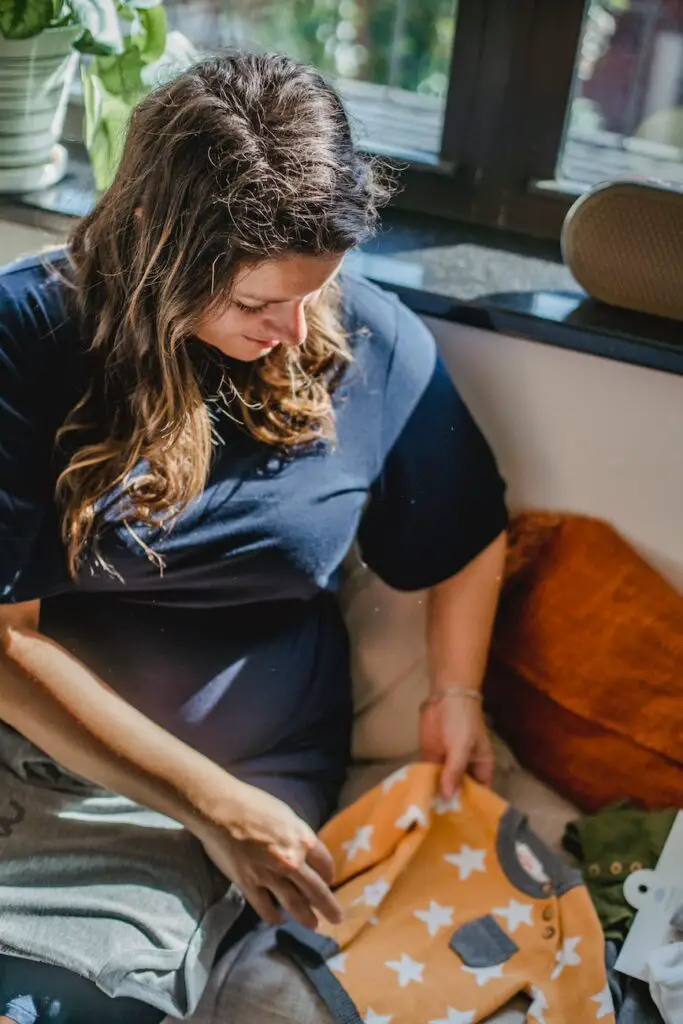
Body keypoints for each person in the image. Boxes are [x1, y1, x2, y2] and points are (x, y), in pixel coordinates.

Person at [0, 53, 507, 1024]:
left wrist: (453, 691)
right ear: (154, 241)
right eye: (253, 303)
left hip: (234, 794)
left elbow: (466, 529)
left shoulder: (370, 340)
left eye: (311, 291)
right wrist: (209, 801)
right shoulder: (24, 337)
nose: (291, 327)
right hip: (38, 755)